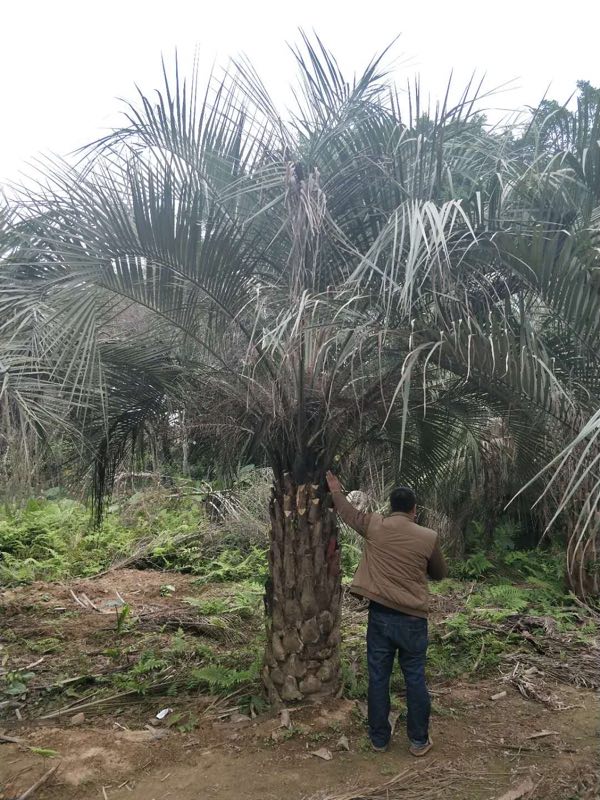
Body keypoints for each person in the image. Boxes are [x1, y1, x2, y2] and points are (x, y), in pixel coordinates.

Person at [326, 471, 447, 757]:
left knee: (378, 677)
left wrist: (334, 489)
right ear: (414, 510)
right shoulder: (428, 537)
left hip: (380, 617)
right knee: (414, 677)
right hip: (413, 620)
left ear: (390, 506)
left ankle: (379, 739)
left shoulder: (374, 525)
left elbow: (346, 512)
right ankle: (418, 741)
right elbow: (440, 574)